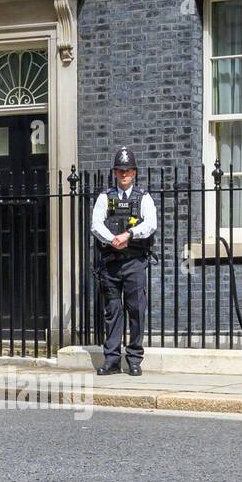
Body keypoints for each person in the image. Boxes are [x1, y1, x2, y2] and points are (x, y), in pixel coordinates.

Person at [90, 146, 156, 376]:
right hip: (111, 262)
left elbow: (150, 224)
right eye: (120, 170)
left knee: (137, 311)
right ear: (115, 172)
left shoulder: (144, 197)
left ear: (135, 172)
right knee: (113, 312)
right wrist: (113, 240)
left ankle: (135, 359)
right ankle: (112, 360)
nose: (124, 174)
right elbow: (96, 225)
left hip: (134, 263)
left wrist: (129, 235)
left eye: (128, 170)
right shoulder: (104, 197)